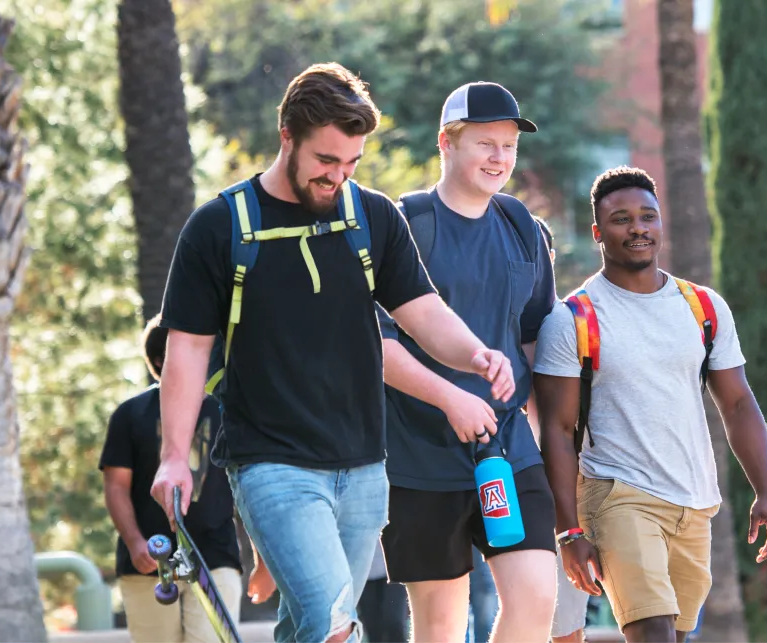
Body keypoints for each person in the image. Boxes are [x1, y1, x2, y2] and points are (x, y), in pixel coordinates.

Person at [151, 63, 517, 643]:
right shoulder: (220, 228)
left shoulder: (370, 216)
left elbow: (420, 311)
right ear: (287, 137)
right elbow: (187, 351)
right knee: (332, 620)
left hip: (365, 466)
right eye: (326, 161)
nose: (338, 177)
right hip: (270, 463)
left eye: (351, 163)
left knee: (309, 628)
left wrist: (475, 355)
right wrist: (174, 456)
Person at [533, 166, 767, 643]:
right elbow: (558, 432)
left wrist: (766, 493)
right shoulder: (574, 320)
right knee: (652, 633)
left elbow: (737, 403)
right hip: (616, 494)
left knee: (675, 636)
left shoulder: (703, 308)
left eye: (648, 216)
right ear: (597, 232)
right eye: (621, 219)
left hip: (694, 502)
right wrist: (569, 531)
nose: (638, 228)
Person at [377, 81, 558, 643]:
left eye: (508, 146)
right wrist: (449, 397)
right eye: (485, 143)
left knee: (535, 597)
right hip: (417, 453)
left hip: (506, 447)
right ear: (447, 144)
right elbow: (376, 347)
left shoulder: (522, 228)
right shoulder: (405, 225)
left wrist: (549, 435)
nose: (500, 158)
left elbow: (534, 339)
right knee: (440, 624)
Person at [100, 315, 243, 643]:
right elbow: (116, 487)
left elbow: (247, 486)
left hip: (216, 557)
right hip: (148, 561)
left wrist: (263, 557)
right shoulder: (130, 414)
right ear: (162, 360)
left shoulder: (228, 412)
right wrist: (136, 543)